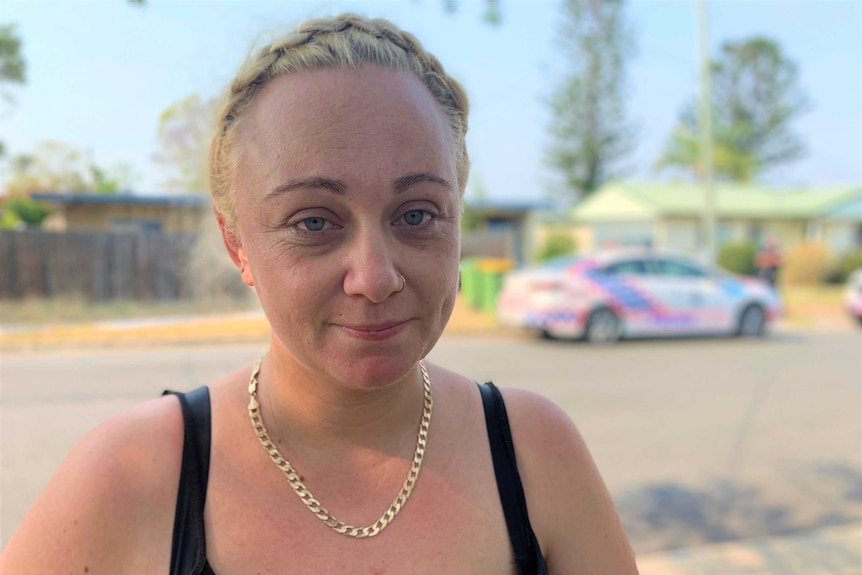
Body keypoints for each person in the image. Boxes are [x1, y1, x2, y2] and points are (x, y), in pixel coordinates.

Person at [1, 14, 636, 574]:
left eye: (416, 214)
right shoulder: (134, 474)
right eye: (313, 222)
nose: (375, 276)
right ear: (238, 245)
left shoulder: (533, 454)